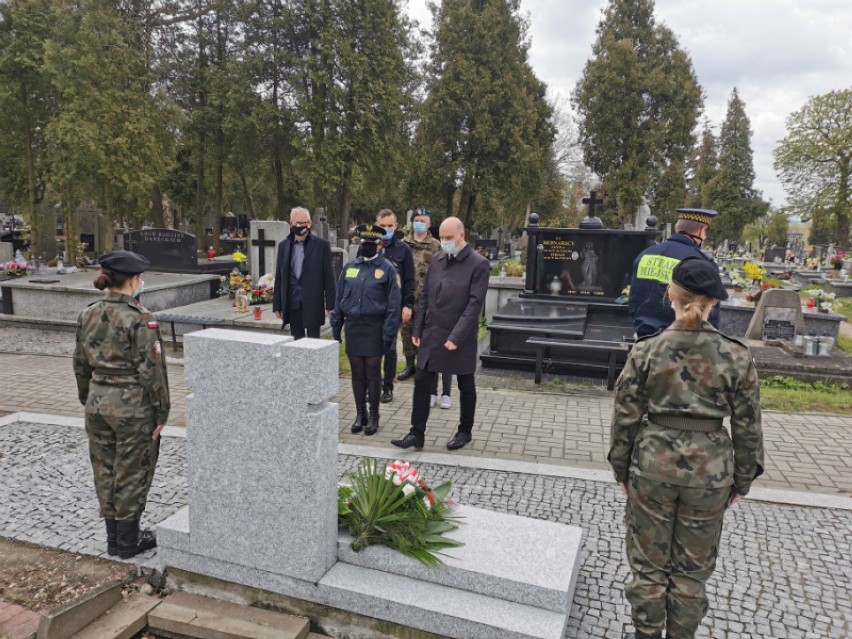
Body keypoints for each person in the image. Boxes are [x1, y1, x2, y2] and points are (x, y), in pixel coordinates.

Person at [608, 258, 764, 639]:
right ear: (713, 302)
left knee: (648, 564)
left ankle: (646, 634)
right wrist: (742, 481)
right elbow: (748, 428)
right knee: (691, 568)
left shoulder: (647, 350)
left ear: (671, 295)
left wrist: (622, 469)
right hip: (709, 475)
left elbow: (625, 418)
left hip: (652, 468)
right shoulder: (736, 355)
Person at [73, 250, 170, 559]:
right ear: (133, 280)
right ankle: (128, 543)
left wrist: (88, 398)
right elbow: (153, 370)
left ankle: (113, 540)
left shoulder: (88, 313)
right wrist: (162, 412)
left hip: (97, 403)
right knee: (131, 472)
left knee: (104, 470)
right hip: (132, 408)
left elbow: (79, 364)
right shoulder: (141, 318)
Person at [391, 217, 489, 451]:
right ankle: (416, 433)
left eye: (449, 238)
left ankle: (464, 431)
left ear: (461, 236)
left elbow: (474, 305)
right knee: (422, 381)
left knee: (465, 383)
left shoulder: (478, 264)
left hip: (459, 336)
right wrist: (417, 328)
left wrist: (456, 337)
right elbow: (425, 297)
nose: (444, 242)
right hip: (432, 332)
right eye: (442, 238)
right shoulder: (437, 259)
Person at [331, 224, 402, 436]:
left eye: (372, 244)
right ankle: (359, 413)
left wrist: (389, 332)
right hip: (353, 327)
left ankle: (373, 415)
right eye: (365, 244)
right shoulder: (350, 267)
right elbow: (339, 297)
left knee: (372, 373)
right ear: (360, 243)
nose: (368, 247)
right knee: (357, 373)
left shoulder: (388, 269)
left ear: (379, 244)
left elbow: (393, 305)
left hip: (374, 328)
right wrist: (337, 324)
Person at [629, 208, 721, 337]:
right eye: (706, 232)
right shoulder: (703, 263)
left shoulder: (645, 254)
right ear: (702, 231)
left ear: (678, 228)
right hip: (682, 343)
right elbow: (710, 311)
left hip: (644, 339)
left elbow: (634, 297)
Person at [399, 208, 453, 407]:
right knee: (406, 333)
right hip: (406, 297)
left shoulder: (436, 245)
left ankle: (430, 378)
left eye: (423, 220)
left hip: (427, 300)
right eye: (416, 220)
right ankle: (409, 365)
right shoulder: (403, 244)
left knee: (425, 337)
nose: (419, 223)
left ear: (429, 224)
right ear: (412, 223)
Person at [371, 209, 415, 403]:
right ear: (376, 225)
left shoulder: (403, 250)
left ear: (396, 226)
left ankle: (387, 387)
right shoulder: (368, 246)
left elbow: (409, 279)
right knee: (371, 349)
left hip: (393, 308)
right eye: (383, 225)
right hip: (371, 307)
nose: (386, 229)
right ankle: (373, 385)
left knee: (389, 348)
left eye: (390, 226)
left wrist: (407, 305)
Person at [273, 206, 336, 339]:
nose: (301, 225)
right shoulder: (284, 246)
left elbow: (329, 277)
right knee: (296, 341)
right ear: (291, 223)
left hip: (313, 302)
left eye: (304, 222)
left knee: (313, 342)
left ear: (310, 223)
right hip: (293, 302)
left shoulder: (322, 246)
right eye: (297, 222)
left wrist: (331, 304)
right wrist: (277, 304)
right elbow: (279, 276)